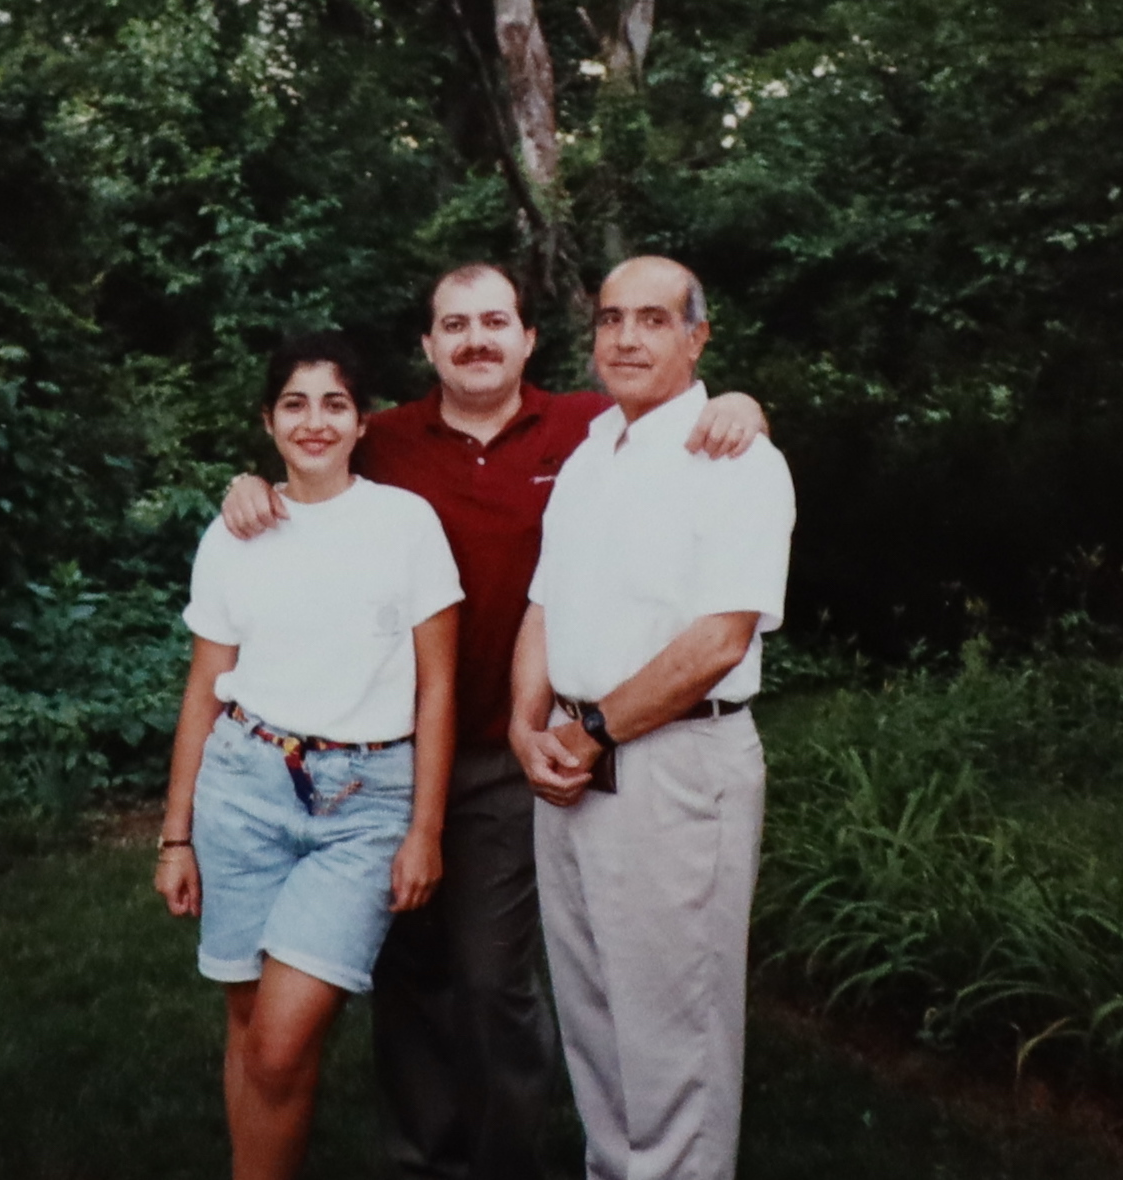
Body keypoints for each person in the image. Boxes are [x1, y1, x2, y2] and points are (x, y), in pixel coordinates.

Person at [220, 264, 769, 1180]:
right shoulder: (387, 440)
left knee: (492, 979)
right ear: (428, 345)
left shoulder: (584, 430)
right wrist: (249, 485)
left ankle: (507, 1159)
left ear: (527, 338)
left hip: (523, 755)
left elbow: (690, 429)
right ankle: (424, 1159)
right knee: (409, 972)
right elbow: (308, 480)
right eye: (454, 324)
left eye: (494, 321)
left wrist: (745, 406)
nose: (475, 339)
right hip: (393, 755)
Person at [509, 256, 795, 1180]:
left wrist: (590, 731)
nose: (626, 338)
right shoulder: (592, 453)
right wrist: (525, 726)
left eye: (653, 319)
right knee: (595, 1025)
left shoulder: (737, 461)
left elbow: (717, 640)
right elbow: (544, 604)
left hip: (675, 764)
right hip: (569, 765)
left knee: (676, 1038)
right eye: (610, 319)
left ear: (696, 337)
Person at [155, 330, 464, 1180]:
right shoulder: (235, 533)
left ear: (362, 422)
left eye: (334, 404)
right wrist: (175, 835)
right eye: (294, 404)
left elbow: (438, 687)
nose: (314, 422)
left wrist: (424, 831)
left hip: (364, 804)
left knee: (282, 1042)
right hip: (242, 787)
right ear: (268, 421)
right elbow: (204, 687)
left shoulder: (404, 524)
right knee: (249, 1026)